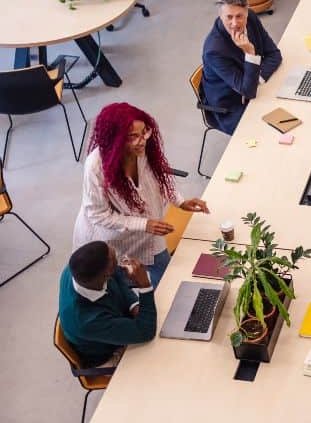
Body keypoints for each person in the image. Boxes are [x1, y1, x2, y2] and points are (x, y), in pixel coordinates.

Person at [73, 103, 209, 287]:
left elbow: (159, 178)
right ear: (116, 139)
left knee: (165, 279)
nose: (143, 140)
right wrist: (144, 224)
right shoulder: (95, 167)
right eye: (133, 136)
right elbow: (98, 215)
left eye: (144, 131)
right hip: (116, 239)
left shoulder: (143, 149)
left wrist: (180, 201)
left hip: (149, 232)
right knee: (125, 285)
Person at [58, 241, 157, 368]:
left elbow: (117, 277)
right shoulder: (87, 321)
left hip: (112, 323)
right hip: (107, 354)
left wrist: (134, 304)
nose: (120, 261)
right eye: (115, 259)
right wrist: (145, 286)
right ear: (107, 273)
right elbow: (146, 332)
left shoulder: (76, 269)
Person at [201, 0, 283, 135]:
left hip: (252, 89)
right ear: (220, 16)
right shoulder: (214, 50)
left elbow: (274, 55)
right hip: (231, 108)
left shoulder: (251, 18)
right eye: (229, 17)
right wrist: (250, 54)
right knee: (271, 133)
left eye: (239, 16)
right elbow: (248, 92)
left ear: (247, 12)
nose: (234, 23)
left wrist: (255, 79)